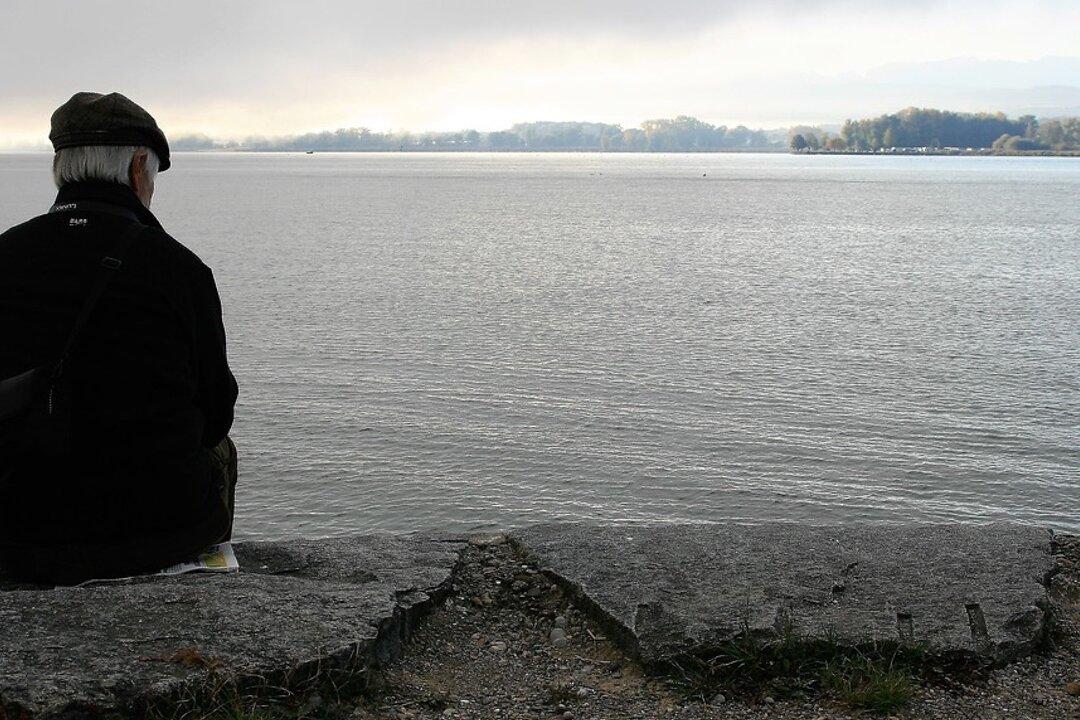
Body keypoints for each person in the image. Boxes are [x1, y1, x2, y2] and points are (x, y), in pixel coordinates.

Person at [0, 92, 238, 584]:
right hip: (156, 534)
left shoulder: (7, 253)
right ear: (137, 169)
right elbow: (216, 413)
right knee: (222, 451)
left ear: (61, 170)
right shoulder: (179, 268)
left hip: (16, 533)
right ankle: (202, 588)